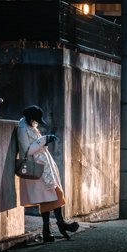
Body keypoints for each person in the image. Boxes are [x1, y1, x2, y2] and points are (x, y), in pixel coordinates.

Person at [16, 104, 79, 243]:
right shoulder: (22, 129)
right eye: (36, 119)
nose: (37, 122)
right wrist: (44, 140)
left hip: (42, 167)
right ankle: (60, 225)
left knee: (48, 198)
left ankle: (48, 230)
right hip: (36, 168)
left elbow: (37, 145)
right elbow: (26, 150)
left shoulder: (30, 126)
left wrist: (43, 141)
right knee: (52, 195)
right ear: (30, 118)